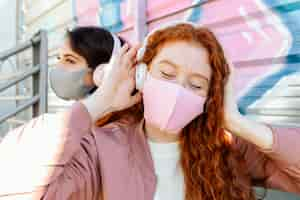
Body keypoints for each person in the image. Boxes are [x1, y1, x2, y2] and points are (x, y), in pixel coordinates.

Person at [0, 22, 300, 200]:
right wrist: (98, 104)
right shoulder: (100, 147)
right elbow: (11, 182)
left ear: (210, 96)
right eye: (167, 75)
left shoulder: (229, 148)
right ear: (142, 76)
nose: (178, 91)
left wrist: (238, 123)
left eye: (196, 84)